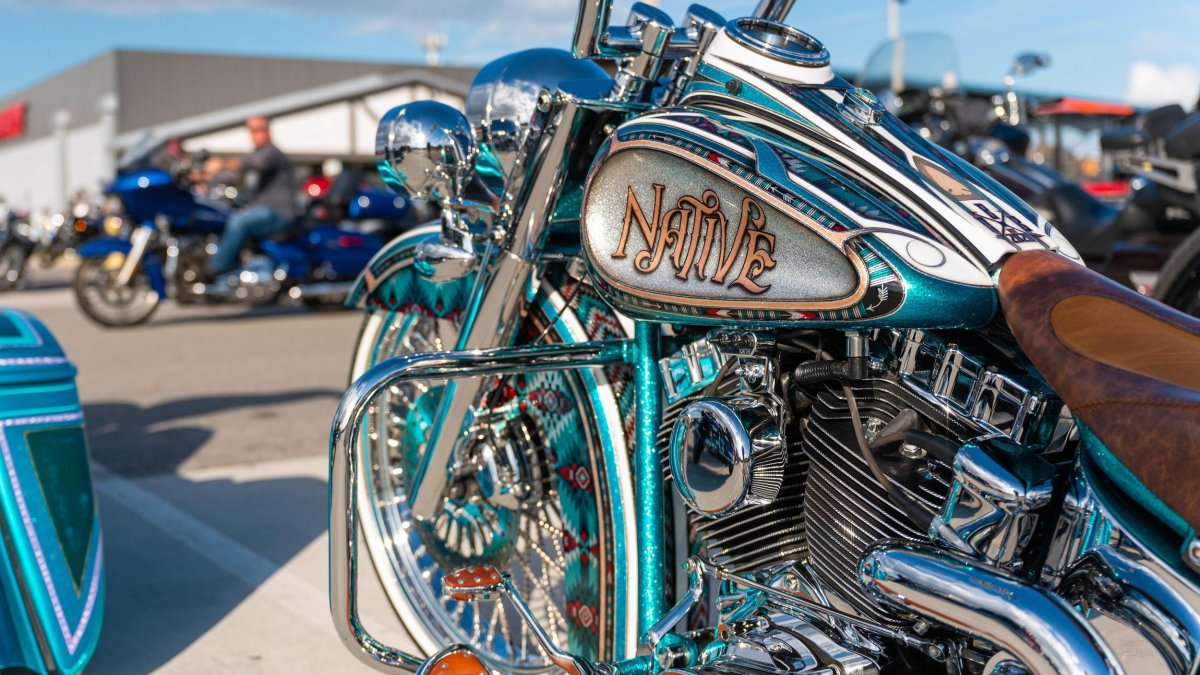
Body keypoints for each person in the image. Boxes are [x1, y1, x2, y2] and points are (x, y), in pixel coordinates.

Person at [208, 116, 297, 278]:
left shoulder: (271, 153)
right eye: (252, 131)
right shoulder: (255, 155)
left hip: (279, 212)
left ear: (267, 131)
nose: (255, 135)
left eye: (258, 130)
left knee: (239, 222)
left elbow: (258, 163)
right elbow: (235, 177)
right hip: (262, 209)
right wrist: (205, 176)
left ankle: (215, 269)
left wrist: (223, 162)